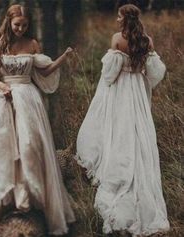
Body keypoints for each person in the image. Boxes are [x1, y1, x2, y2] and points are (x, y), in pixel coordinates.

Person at [0, 4, 75, 236]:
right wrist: (1, 86)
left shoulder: (32, 45)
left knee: (30, 145)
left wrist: (64, 57)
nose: (21, 29)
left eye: (24, 25)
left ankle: (30, 197)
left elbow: (44, 71)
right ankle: (6, 199)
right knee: (3, 149)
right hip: (4, 100)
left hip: (29, 99)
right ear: (9, 23)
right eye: (17, 25)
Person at [76, 4, 170, 236]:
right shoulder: (146, 41)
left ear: (124, 19)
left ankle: (118, 174)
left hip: (120, 91)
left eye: (119, 16)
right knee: (138, 132)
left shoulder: (117, 39)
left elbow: (109, 75)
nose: (116, 19)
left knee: (119, 131)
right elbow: (155, 72)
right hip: (137, 90)